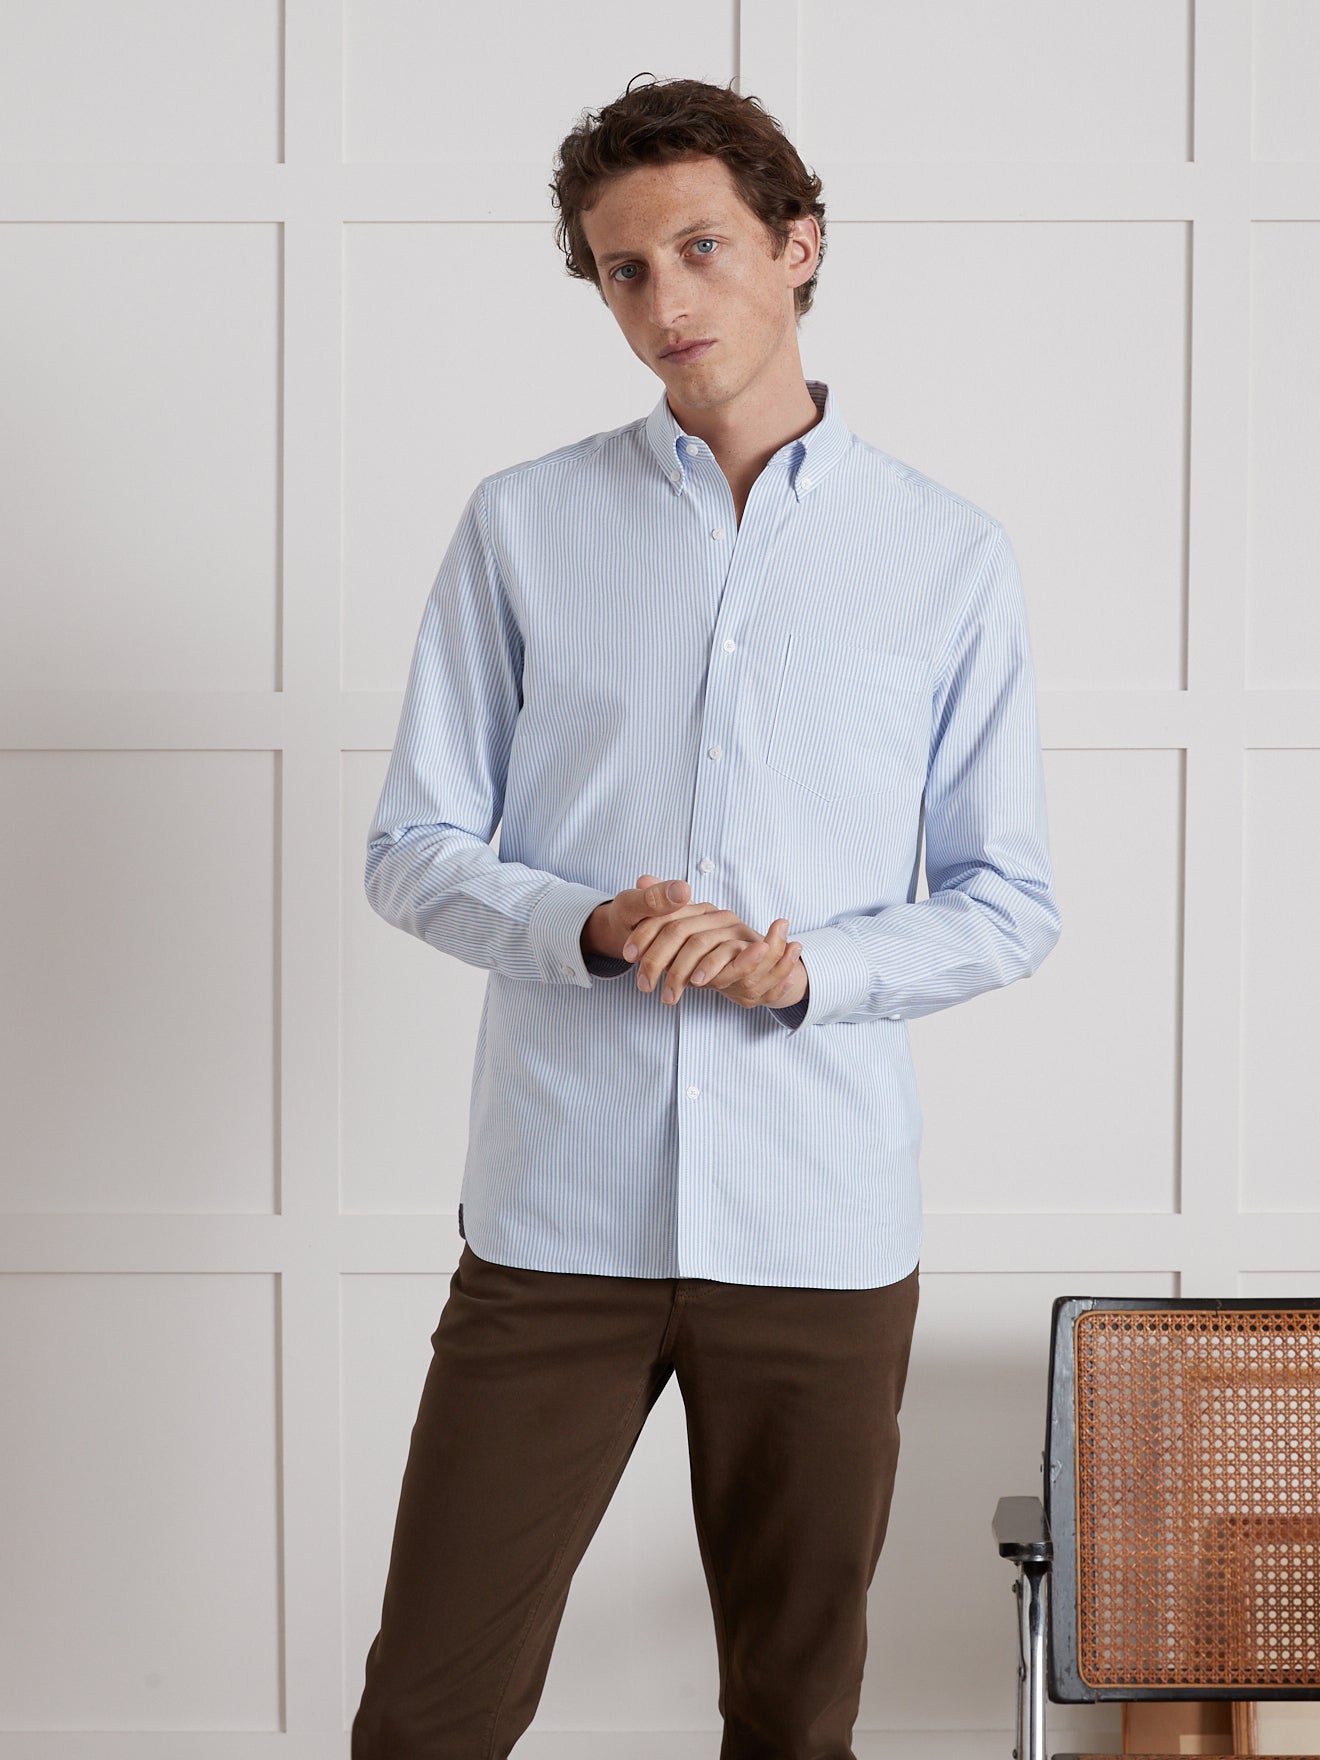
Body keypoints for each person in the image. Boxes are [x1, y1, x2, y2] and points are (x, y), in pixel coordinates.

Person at [350, 71, 1060, 1760]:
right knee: (430, 1712)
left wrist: (812, 968)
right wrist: (593, 923)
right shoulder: (524, 525)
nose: (664, 300)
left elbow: (1008, 899)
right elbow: (414, 846)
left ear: (798, 244)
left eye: (701, 248)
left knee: (795, 1720)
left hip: (818, 1231)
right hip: (556, 1223)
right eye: (623, 269)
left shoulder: (946, 554)